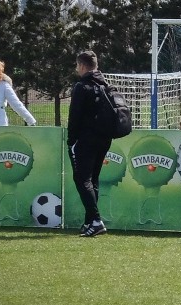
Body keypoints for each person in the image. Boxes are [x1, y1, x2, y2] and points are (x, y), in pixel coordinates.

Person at [67, 51, 112, 237]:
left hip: (86, 140)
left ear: (83, 66)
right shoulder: (105, 84)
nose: (77, 69)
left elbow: (74, 117)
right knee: (92, 179)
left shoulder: (81, 86)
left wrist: (71, 141)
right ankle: (89, 222)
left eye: (77, 65)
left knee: (81, 179)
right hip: (104, 139)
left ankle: (95, 220)